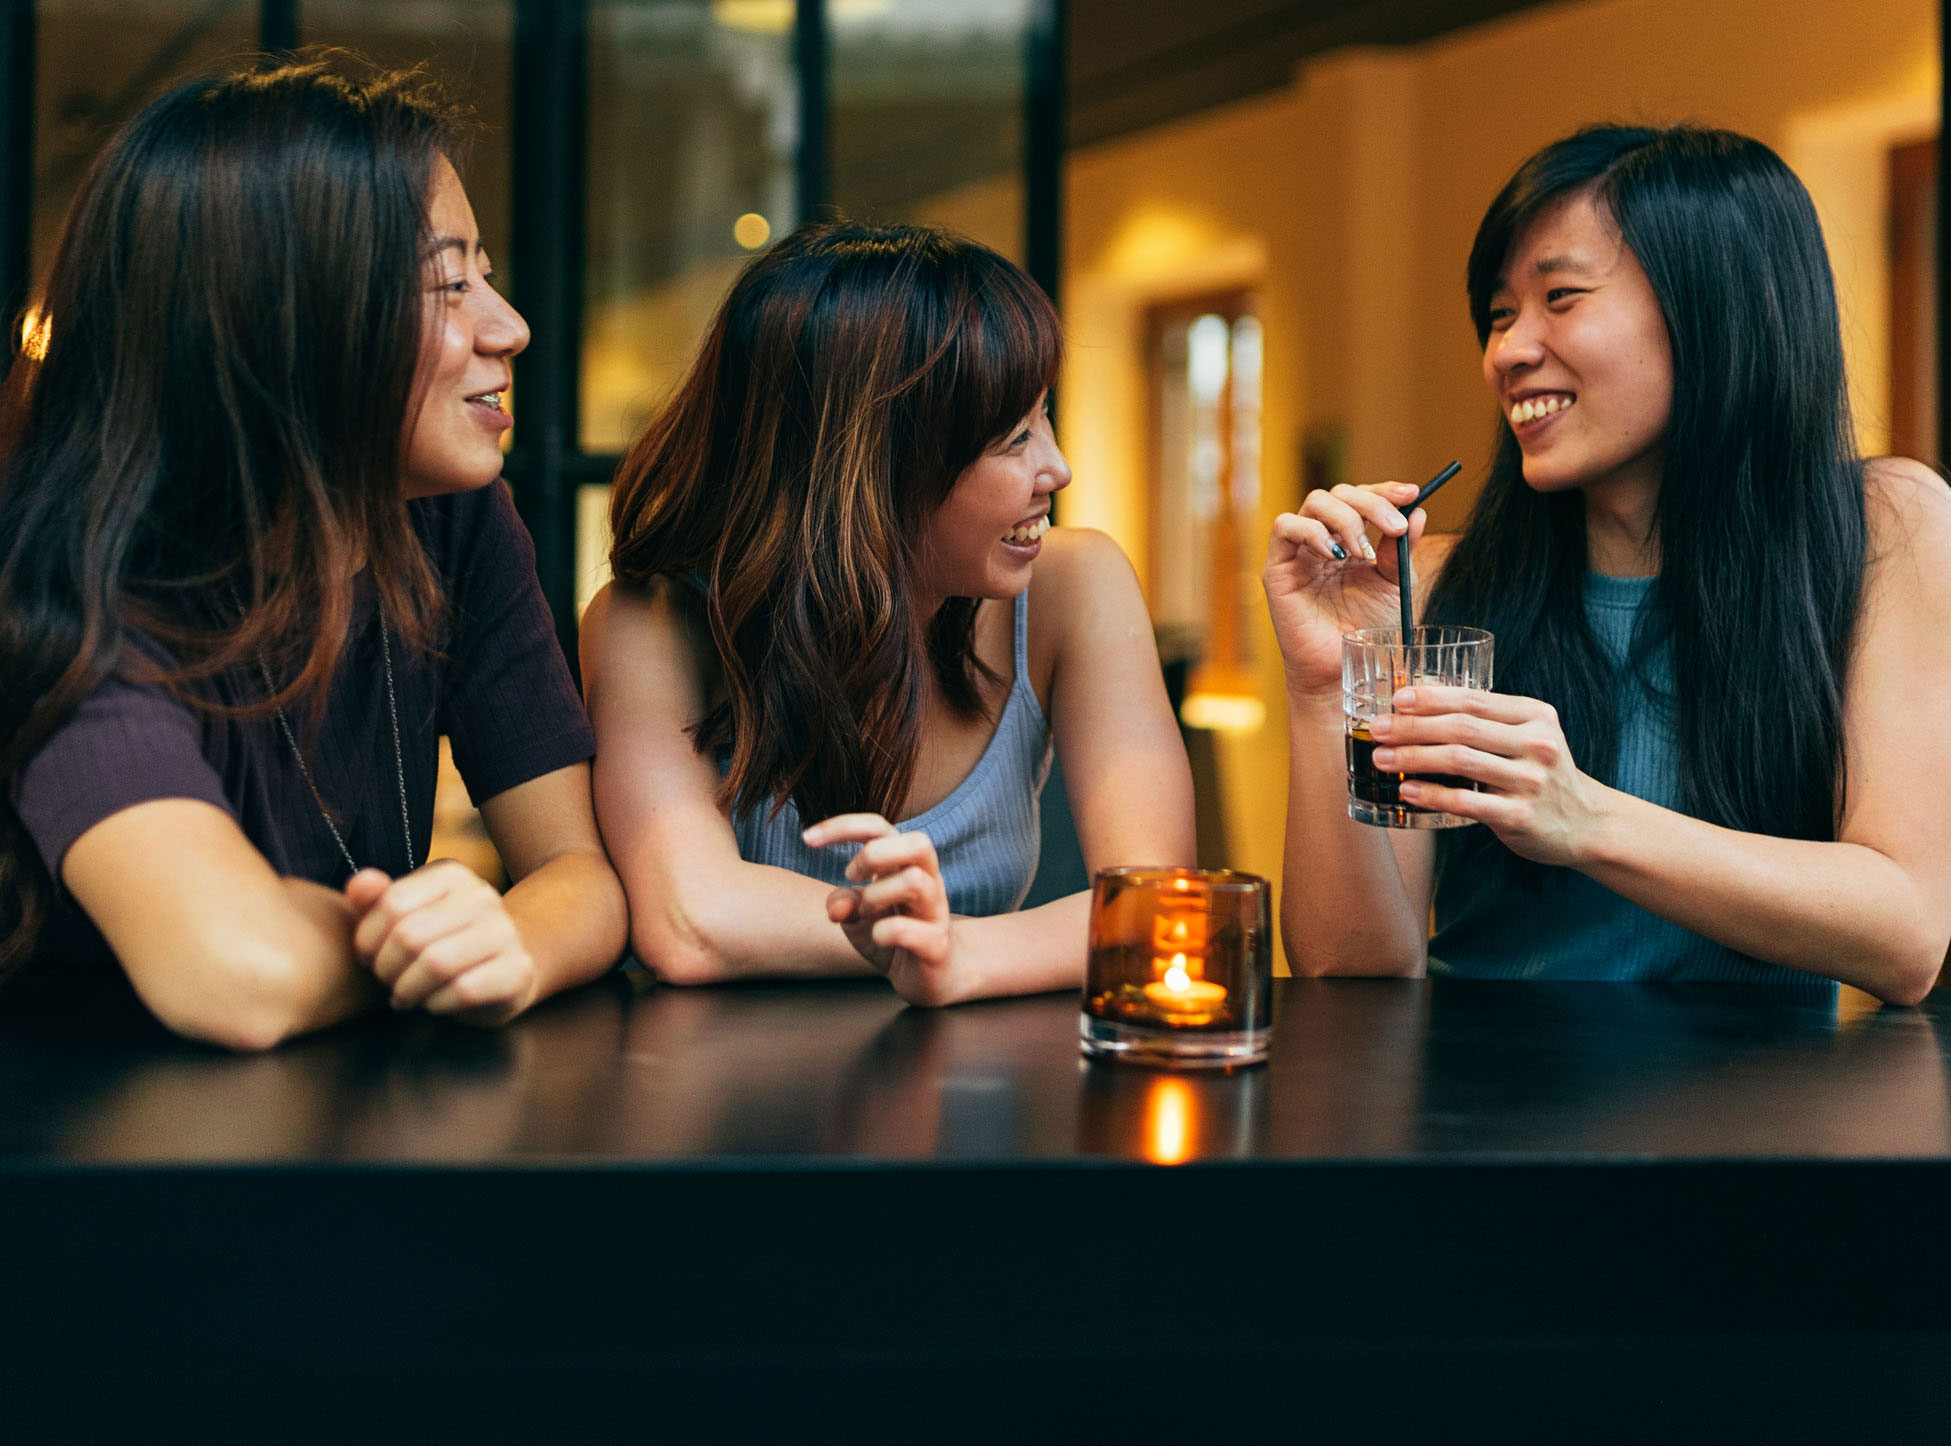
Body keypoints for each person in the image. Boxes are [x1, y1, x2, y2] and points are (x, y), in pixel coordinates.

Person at [0, 57, 628, 1049]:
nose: (510, 327)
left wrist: (507, 942)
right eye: (447, 285)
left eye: (486, 277)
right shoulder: (59, 588)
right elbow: (231, 973)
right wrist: (413, 944)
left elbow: (582, 875)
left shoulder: (453, 520)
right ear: (280, 327)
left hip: (335, 1134)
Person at [1264, 124, 1951, 1003]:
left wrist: (1581, 816)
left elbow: (1905, 931)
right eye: (1501, 313)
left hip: (1759, 1118)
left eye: (1560, 297)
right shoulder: (1432, 582)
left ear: (1710, 305)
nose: (1507, 351)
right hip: (1479, 1115)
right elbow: (1352, 965)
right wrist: (1326, 691)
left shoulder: (1883, 529)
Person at [583, 220, 1194, 1005]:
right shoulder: (652, 624)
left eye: (1044, 415)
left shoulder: (1074, 587)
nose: (1057, 466)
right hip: (727, 1111)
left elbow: (1158, 909)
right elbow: (691, 919)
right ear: (875, 472)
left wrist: (962, 955)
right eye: (1012, 438)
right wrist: (944, 947)